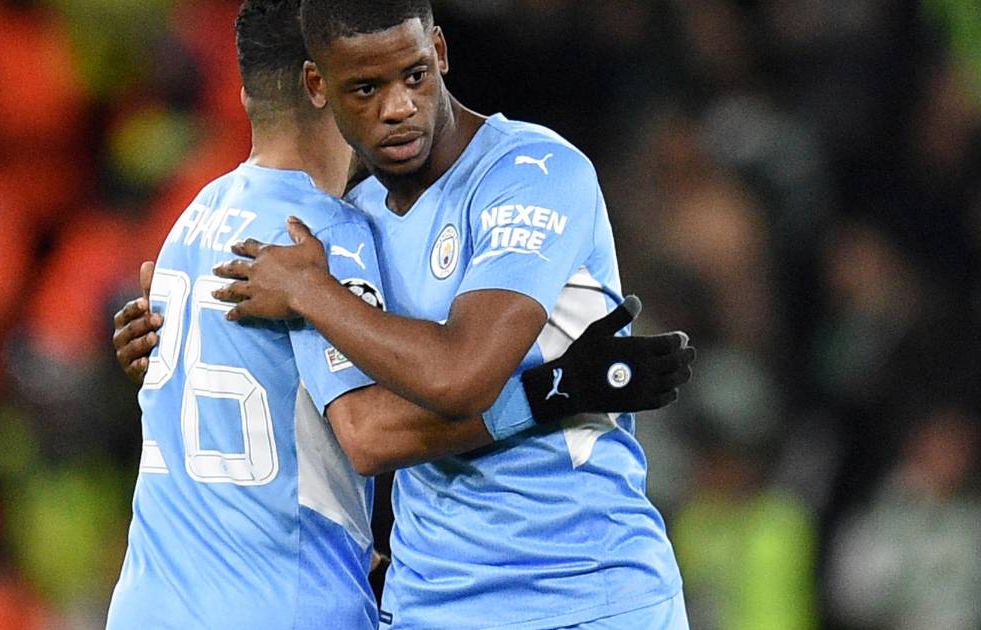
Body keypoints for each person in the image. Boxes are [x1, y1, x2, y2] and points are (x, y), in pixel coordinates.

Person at [105, 2, 693, 628]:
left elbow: (462, 375)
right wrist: (563, 387)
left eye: (414, 76)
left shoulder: (534, 174)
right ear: (319, 87)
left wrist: (310, 292)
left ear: (439, 51)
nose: (399, 107)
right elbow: (371, 431)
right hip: (430, 602)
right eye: (366, 89)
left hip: (584, 589)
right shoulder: (338, 224)